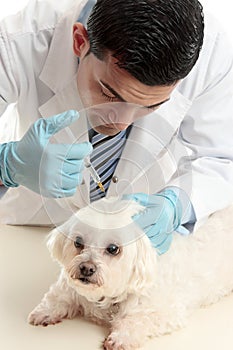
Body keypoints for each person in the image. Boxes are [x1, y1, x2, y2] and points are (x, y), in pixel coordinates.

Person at [0, 0, 232, 253]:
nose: (120, 123)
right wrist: (9, 164)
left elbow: (221, 158)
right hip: (31, 227)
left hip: (134, 244)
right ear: (80, 41)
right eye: (109, 93)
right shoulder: (19, 40)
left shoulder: (213, 54)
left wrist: (175, 206)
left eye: (150, 106)